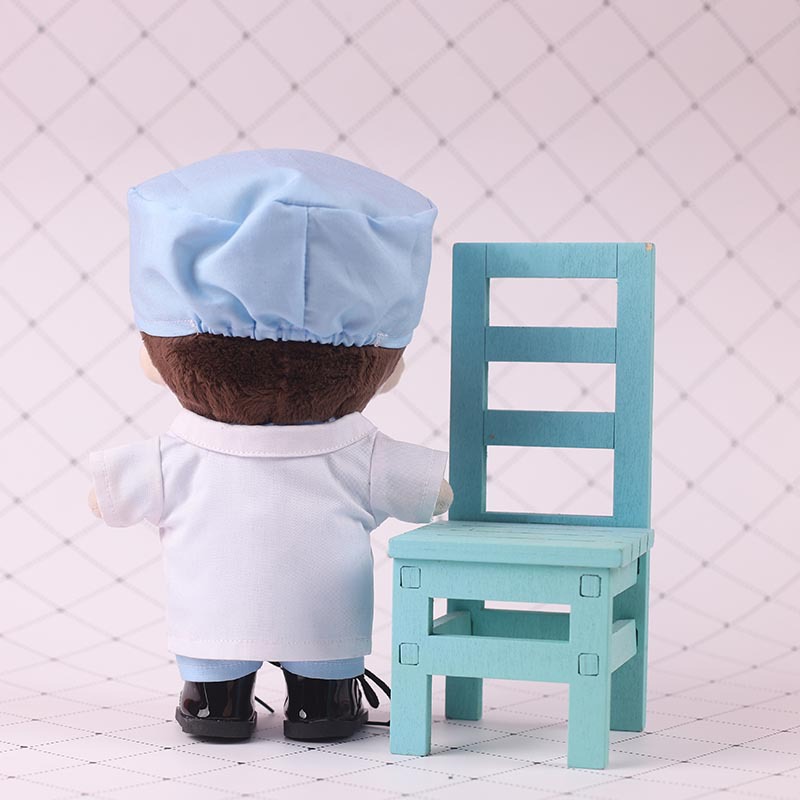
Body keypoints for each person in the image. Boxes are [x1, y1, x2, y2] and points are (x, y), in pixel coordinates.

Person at [87, 149, 452, 741]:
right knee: (327, 655)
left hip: (210, 615)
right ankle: (324, 701)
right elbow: (432, 493)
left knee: (212, 653)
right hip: (328, 617)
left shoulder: (177, 456)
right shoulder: (359, 453)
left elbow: (106, 497)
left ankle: (215, 702)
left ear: (159, 357)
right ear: (386, 367)